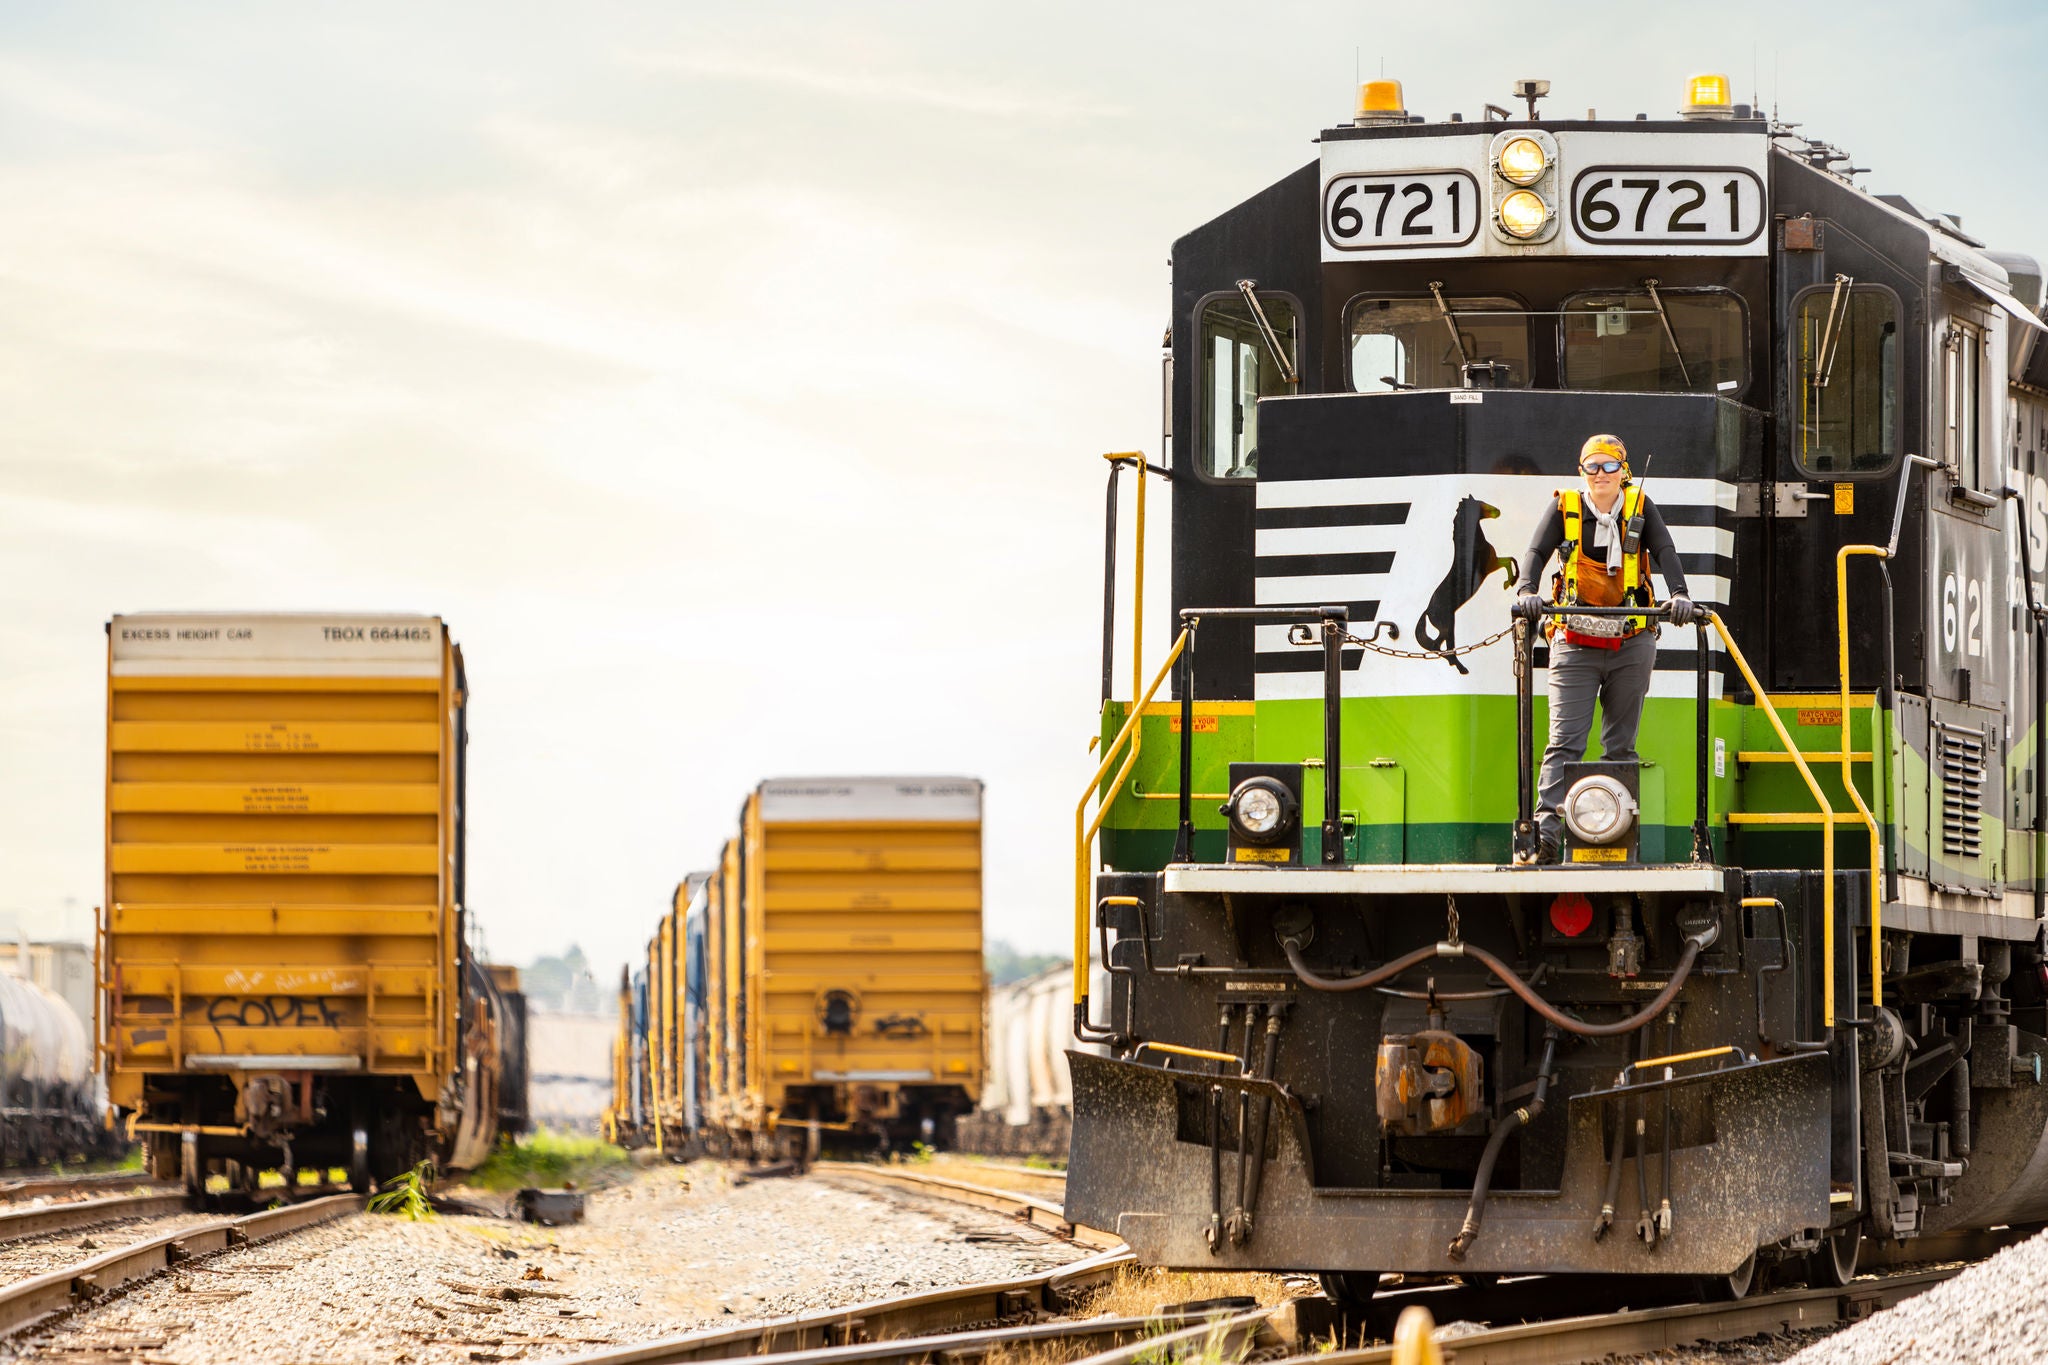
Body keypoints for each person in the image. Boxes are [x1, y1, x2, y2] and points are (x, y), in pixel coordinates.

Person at [1513, 435, 1696, 864]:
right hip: (1574, 645)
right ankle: (1545, 837)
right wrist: (1526, 590)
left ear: (1623, 471)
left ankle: (1618, 841)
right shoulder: (1565, 508)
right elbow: (1536, 551)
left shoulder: (1639, 507)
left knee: (1620, 746)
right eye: (1591, 466)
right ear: (1581, 472)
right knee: (1564, 743)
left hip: (1631, 644)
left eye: (1608, 466)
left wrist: (1681, 594)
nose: (1599, 475)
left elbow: (1665, 551)